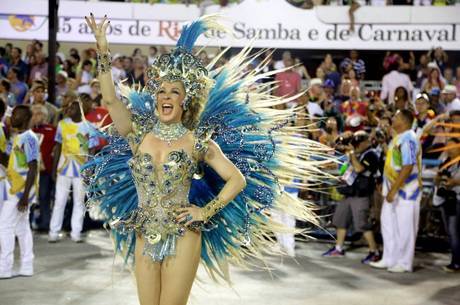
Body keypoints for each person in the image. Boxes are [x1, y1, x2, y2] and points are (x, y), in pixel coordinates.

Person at [83, 14, 332, 305]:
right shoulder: (137, 135)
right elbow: (111, 100)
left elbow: (236, 179)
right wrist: (103, 51)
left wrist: (206, 211)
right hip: (144, 232)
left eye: (174, 92)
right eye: (161, 90)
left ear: (184, 100)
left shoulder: (197, 141)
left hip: (184, 234)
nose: (166, 96)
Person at [370, 110, 421, 273]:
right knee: (388, 224)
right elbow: (394, 163)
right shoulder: (397, 138)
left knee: (405, 228)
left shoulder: (409, 138)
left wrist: (394, 189)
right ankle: (389, 258)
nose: (393, 119)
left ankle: (405, 263)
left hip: (406, 191)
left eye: (396, 117)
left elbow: (408, 166)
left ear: (405, 121)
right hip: (392, 189)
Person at [323, 131, 380, 264]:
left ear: (366, 142)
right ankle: (338, 248)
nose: (356, 145)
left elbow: (359, 169)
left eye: (358, 143)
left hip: (361, 195)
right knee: (340, 221)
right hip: (348, 193)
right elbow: (346, 169)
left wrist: (352, 154)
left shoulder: (371, 155)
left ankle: (374, 252)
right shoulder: (354, 153)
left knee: (362, 224)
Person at [48, 101, 98, 243]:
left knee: (79, 202)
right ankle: (53, 232)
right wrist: (53, 168)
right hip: (63, 169)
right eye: (68, 107)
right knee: (59, 201)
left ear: (80, 109)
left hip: (81, 170)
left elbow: (92, 150)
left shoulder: (89, 127)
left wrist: (89, 170)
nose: (69, 109)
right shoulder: (62, 124)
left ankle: (76, 233)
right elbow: (58, 146)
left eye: (73, 107)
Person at [0, 105, 39, 279]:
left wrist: (25, 196)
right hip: (15, 187)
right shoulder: (17, 137)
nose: (12, 117)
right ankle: (27, 266)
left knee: (5, 226)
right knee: (22, 228)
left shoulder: (29, 138)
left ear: (24, 118)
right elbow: (9, 160)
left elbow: (33, 167)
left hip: (20, 190)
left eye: (15, 115)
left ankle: (5, 267)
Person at [433, 138, 460, 272]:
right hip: (445, 199)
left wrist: (454, 182)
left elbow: (455, 181)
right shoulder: (446, 162)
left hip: (457, 200)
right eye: (447, 147)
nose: (449, 149)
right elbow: (437, 180)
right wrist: (438, 179)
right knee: (450, 232)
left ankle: (456, 263)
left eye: (452, 146)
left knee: (454, 232)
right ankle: (455, 260)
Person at [31, 104, 56, 232]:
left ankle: (45, 222)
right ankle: (28, 223)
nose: (34, 117)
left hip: (46, 171)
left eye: (37, 113)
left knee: (44, 196)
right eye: (33, 114)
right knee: (30, 198)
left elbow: (57, 148)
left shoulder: (52, 130)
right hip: (30, 170)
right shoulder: (28, 130)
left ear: (44, 115)